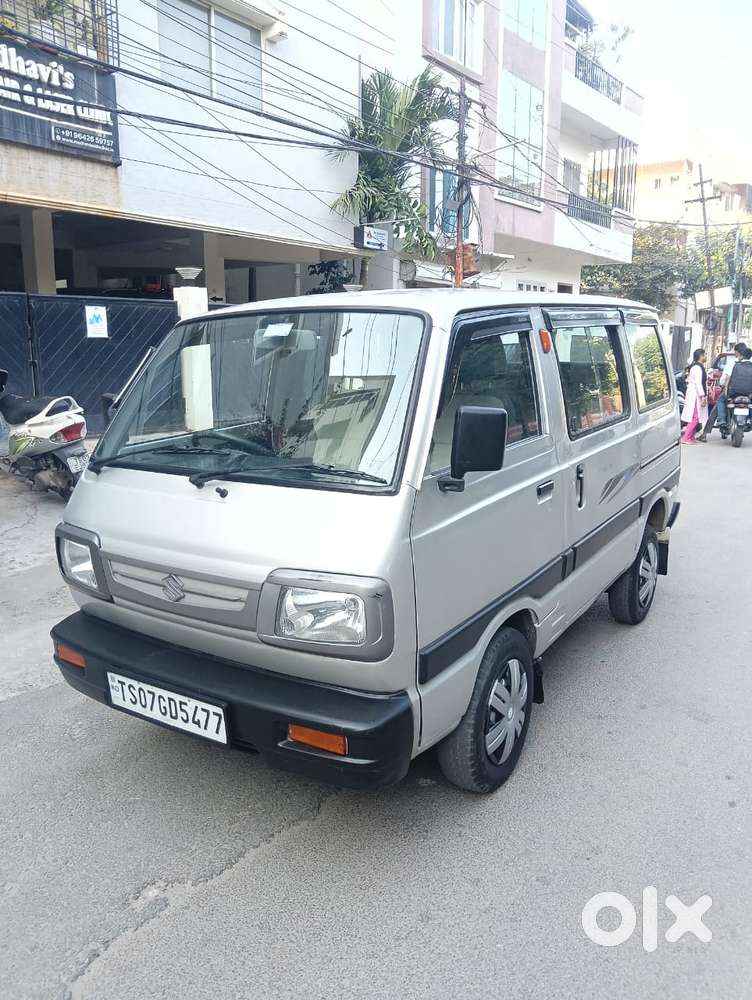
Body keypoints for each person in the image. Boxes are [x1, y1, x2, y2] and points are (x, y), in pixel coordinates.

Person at [704, 342, 747, 436]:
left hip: (732, 392)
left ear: (737, 352)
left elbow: (724, 380)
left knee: (720, 401)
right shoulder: (750, 363)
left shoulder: (732, 364)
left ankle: (720, 421)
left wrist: (724, 386)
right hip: (748, 393)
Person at [681, 348, 708, 444]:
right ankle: (686, 437)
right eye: (705, 354)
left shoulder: (699, 367)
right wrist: (702, 396)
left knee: (696, 416)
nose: (706, 356)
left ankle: (691, 437)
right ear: (701, 356)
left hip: (696, 394)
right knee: (695, 417)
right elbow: (698, 383)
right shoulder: (697, 368)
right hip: (695, 395)